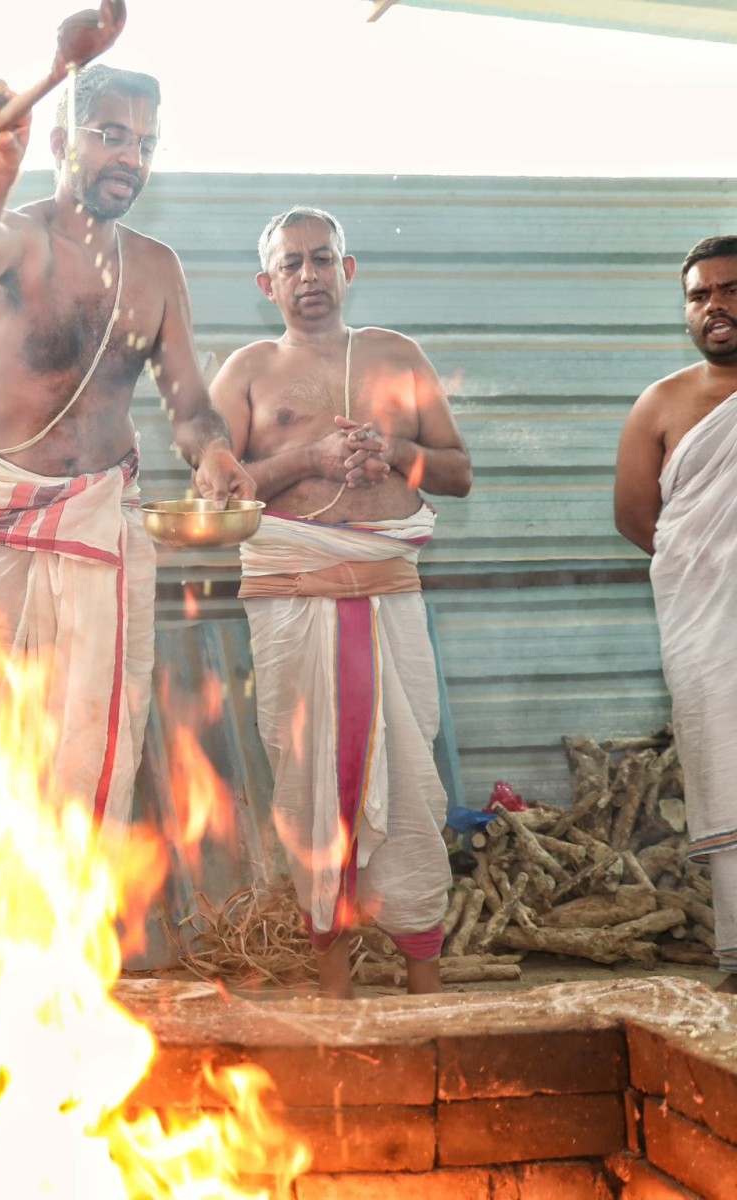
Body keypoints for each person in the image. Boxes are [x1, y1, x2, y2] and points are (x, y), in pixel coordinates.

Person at [0, 56, 253, 833]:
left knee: (101, 732)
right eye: (111, 135)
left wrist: (211, 453)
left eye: (146, 144)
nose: (130, 158)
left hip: (103, 514)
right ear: (60, 140)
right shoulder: (23, 239)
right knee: (1, 732)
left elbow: (188, 405)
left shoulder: (156, 268)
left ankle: (74, 930)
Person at [210, 207, 473, 998]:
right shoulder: (247, 372)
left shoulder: (397, 355)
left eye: (322, 259)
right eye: (290, 264)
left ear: (347, 270)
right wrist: (310, 457)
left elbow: (457, 474)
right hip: (292, 595)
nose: (308, 275)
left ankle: (423, 976)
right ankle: (333, 981)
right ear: (267, 284)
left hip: (388, 589)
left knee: (411, 779)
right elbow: (219, 497)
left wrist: (394, 453)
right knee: (308, 779)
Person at [614, 235, 737, 994]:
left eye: (731, 289)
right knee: (728, 771)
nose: (717, 306)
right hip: (707, 629)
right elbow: (639, 521)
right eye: (700, 296)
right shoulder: (661, 403)